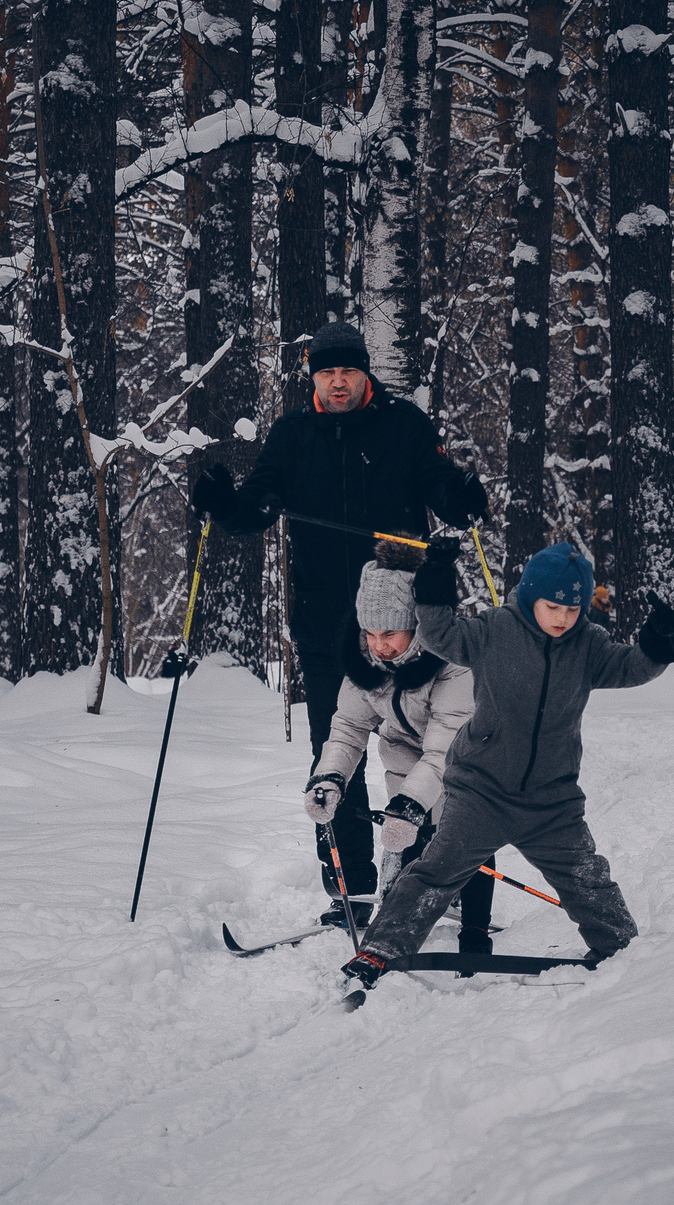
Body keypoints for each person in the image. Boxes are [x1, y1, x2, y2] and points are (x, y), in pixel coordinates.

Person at [190, 319, 487, 920]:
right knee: (337, 753)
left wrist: (462, 496)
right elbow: (256, 509)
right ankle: (350, 888)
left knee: (424, 753)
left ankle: (427, 880)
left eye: (347, 370)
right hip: (329, 627)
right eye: (326, 372)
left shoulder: (404, 425)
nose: (337, 382)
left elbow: (441, 491)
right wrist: (224, 504)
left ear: (364, 372)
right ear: (313, 377)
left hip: (411, 626)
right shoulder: (293, 435)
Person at [339, 539, 674, 995]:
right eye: (553, 606)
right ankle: (380, 948)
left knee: (587, 879)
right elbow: (440, 635)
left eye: (573, 607)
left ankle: (622, 950)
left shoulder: (589, 645)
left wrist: (658, 646)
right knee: (435, 871)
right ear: (529, 597)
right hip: (482, 789)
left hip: (552, 799)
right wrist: (435, 581)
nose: (563, 617)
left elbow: (632, 668)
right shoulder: (495, 631)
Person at [303, 556, 498, 952]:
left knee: (465, 833)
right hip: (406, 754)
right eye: (370, 633)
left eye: (390, 632)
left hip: (469, 752)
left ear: (417, 625)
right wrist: (330, 776)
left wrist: (413, 802)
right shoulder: (366, 661)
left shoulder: (455, 664)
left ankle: (474, 929)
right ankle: (397, 918)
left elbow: (446, 749)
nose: (379, 645)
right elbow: (347, 728)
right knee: (405, 834)